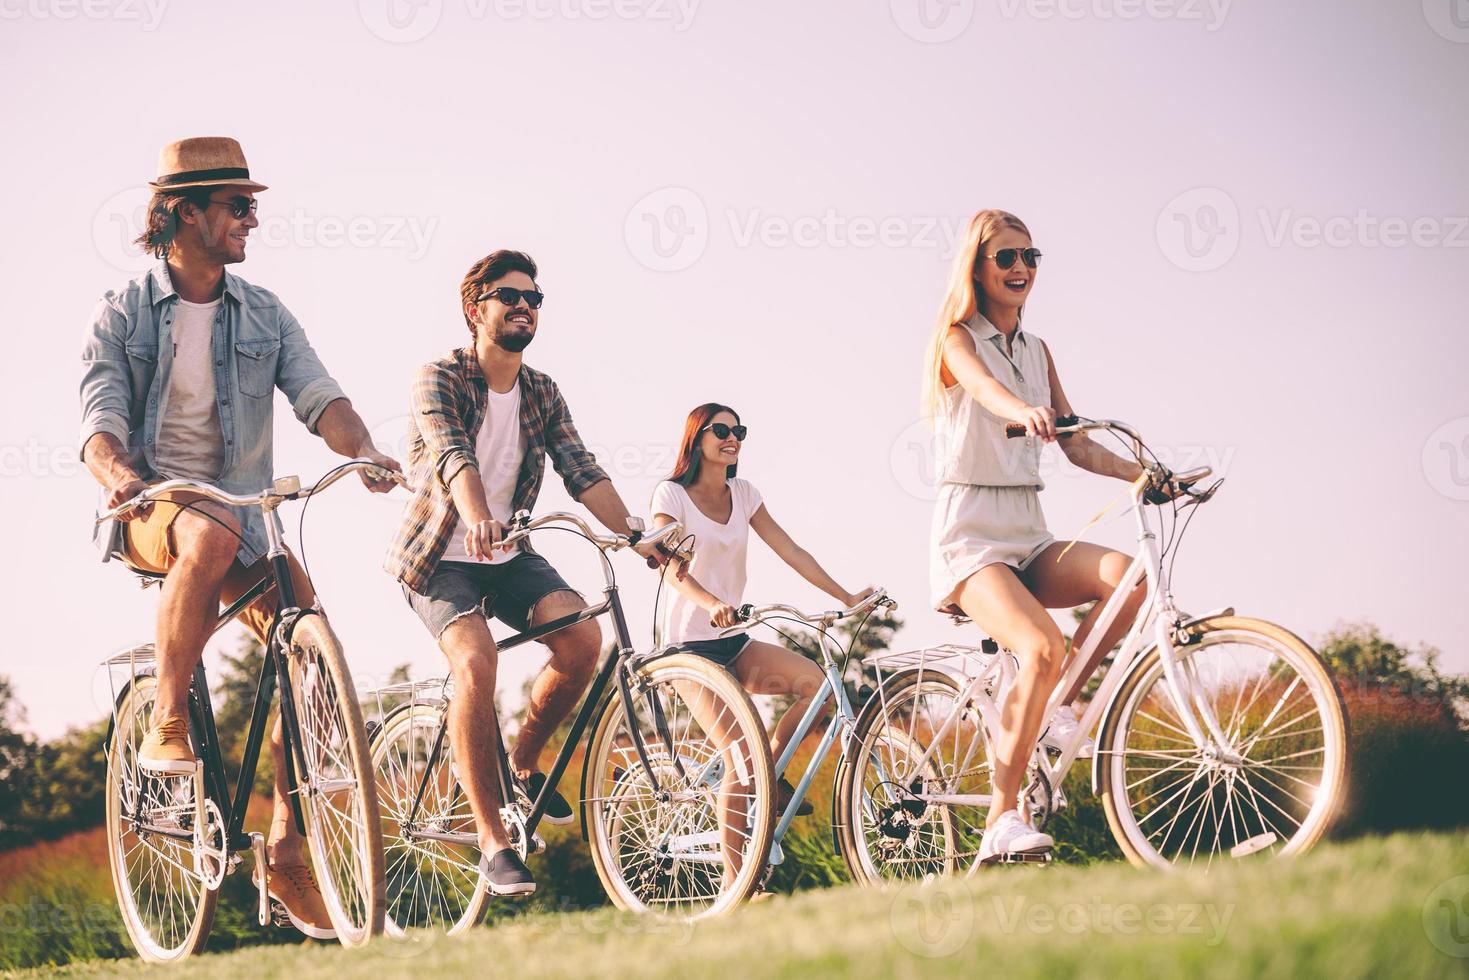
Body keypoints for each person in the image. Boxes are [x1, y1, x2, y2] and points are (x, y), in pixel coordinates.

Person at [79, 137, 402, 937]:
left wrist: (360, 448)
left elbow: (320, 396)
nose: (251, 221)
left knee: (308, 645)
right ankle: (167, 728)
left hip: (242, 513)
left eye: (253, 207)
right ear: (184, 212)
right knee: (211, 529)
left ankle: (289, 849)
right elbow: (99, 422)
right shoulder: (123, 311)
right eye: (238, 205)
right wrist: (119, 475)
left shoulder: (263, 312)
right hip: (155, 506)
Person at [385, 250, 667, 896]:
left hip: (507, 554)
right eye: (509, 295)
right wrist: (478, 516)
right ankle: (492, 841)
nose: (524, 306)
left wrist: (634, 534)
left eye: (534, 299)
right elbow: (453, 455)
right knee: (476, 663)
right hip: (439, 557)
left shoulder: (541, 390)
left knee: (581, 640)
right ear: (474, 309)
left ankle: (522, 759)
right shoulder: (438, 378)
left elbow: (581, 468)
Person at [922, 209, 1174, 863]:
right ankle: (1001, 819)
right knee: (1040, 645)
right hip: (971, 538)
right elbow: (981, 390)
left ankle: (1056, 708)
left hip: (1027, 532)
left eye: (1030, 257)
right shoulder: (957, 338)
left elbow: (1077, 445)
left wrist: (1145, 472)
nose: (1020, 269)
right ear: (977, 267)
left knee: (1130, 579)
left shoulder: (1037, 350)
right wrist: (1019, 408)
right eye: (1006, 257)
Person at [648, 402, 874, 880]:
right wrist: (710, 603)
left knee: (817, 686)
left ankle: (767, 776)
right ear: (697, 438)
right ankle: (737, 884)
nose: (733, 438)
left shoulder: (744, 493)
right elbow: (671, 567)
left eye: (740, 431)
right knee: (737, 753)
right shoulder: (671, 495)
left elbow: (790, 549)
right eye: (722, 430)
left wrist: (846, 595)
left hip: (732, 640)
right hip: (689, 649)